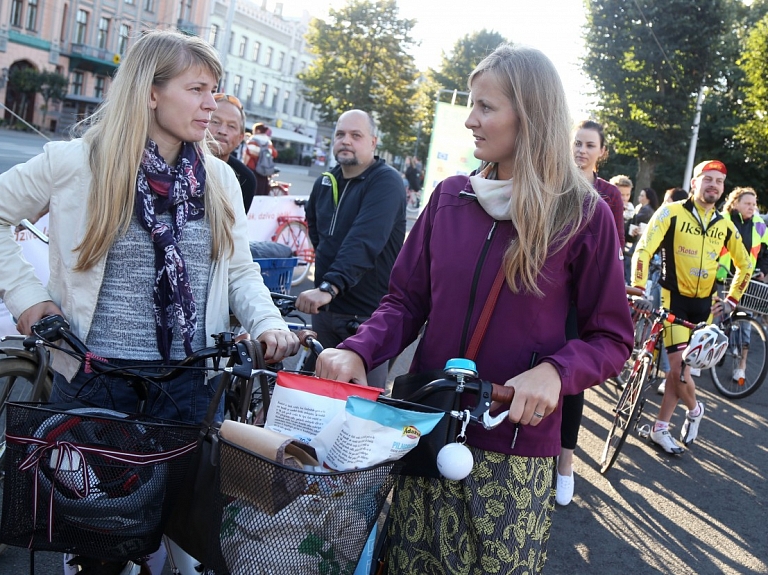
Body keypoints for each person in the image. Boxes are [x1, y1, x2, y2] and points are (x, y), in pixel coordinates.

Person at [314, 45, 633, 574]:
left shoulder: (583, 215)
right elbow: (405, 301)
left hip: (514, 450)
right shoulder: (448, 198)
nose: (470, 120)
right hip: (424, 432)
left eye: (486, 107)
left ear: (529, 115)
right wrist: (357, 349)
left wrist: (557, 371)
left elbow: (612, 338)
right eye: (471, 104)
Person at [0, 30, 300, 574]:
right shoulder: (77, 162)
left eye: (216, 90)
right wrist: (27, 298)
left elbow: (238, 271)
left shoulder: (218, 179)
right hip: (95, 380)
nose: (213, 104)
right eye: (198, 89)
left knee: (172, 535)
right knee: (95, 544)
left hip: (187, 384)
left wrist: (268, 320)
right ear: (150, 92)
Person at [631, 160, 752, 454]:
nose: (713, 185)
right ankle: (696, 410)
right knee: (678, 368)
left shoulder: (724, 225)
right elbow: (644, 248)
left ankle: (661, 428)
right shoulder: (670, 213)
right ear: (695, 182)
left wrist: (732, 300)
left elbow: (745, 265)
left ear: (723, 189)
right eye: (707, 179)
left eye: (719, 182)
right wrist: (637, 287)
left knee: (679, 371)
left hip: (704, 309)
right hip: (675, 300)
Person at [295, 109, 406, 389]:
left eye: (356, 135)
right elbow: (317, 232)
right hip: (326, 312)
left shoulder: (386, 182)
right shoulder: (326, 180)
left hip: (368, 318)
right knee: (314, 400)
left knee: (360, 406)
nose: (346, 140)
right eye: (340, 134)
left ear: (373, 142)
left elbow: (365, 241)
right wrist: (327, 288)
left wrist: (330, 285)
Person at [554, 120, 626, 506]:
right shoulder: (552, 179)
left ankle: (565, 463)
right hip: (546, 292)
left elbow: (612, 254)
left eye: (589, 145)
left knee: (571, 380)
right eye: (576, 143)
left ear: (602, 152)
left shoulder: (609, 195)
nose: (581, 150)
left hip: (580, 301)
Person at [715, 186, 768, 381]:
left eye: (754, 204)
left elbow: (766, 250)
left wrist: (763, 270)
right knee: (714, 321)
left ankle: (741, 366)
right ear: (735, 203)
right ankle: (703, 360)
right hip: (720, 278)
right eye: (747, 203)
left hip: (746, 282)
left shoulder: (760, 224)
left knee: (745, 324)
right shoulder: (722, 220)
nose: (752, 207)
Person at [210, 93, 257, 213]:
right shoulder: (177, 164)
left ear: (240, 138)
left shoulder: (246, 179)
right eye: (215, 122)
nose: (222, 131)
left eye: (231, 126)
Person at [610, 174, 635, 283]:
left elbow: (628, 237)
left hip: (621, 255)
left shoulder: (631, 211)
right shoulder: (606, 208)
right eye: (621, 194)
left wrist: (634, 233)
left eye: (627, 195)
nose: (624, 198)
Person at [243, 122, 277, 196]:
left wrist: (243, 166)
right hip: (264, 171)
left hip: (252, 169)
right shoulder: (268, 142)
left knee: (250, 191)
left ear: (258, 131)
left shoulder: (253, 141)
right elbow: (274, 154)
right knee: (261, 192)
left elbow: (248, 155)